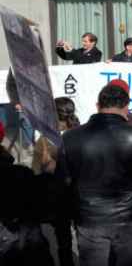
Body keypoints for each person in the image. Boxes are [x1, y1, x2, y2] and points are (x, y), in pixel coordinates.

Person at [57, 84, 132, 266]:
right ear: (126, 108)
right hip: (129, 217)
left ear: (98, 106)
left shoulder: (70, 137)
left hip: (90, 218)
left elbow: (63, 180)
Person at [30, 97, 78, 266]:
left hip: (59, 198)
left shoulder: (44, 140)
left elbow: (36, 172)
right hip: (82, 195)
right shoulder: (81, 134)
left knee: (64, 242)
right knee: (87, 240)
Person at [0, 138, 55, 266]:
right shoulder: (22, 172)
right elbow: (43, 205)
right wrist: (47, 174)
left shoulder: (21, 173)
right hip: (31, 241)